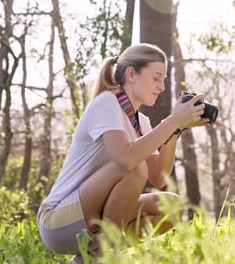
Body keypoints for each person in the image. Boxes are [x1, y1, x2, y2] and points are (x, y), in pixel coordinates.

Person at [37, 43, 208, 263]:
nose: (162, 86)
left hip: (94, 215)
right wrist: (173, 120)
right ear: (131, 74)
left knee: (171, 207)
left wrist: (176, 129)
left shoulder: (140, 121)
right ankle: (106, 255)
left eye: (163, 79)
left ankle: (92, 258)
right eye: (156, 78)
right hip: (59, 220)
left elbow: (159, 176)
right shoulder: (106, 103)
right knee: (134, 167)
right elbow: (126, 159)